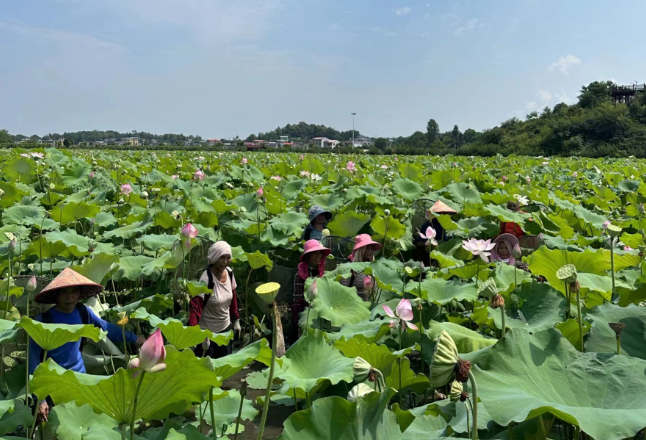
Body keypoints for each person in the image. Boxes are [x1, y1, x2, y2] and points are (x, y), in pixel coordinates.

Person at [29, 268, 146, 422]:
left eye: (74, 291)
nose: (70, 297)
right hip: (53, 386)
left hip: (80, 380)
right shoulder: (43, 321)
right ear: (57, 295)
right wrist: (40, 398)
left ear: (80, 293)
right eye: (65, 292)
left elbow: (107, 328)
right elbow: (32, 363)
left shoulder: (83, 312)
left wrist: (135, 338)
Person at [188, 241, 241, 358]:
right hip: (207, 333)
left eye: (228, 258)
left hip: (225, 329)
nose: (225, 261)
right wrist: (192, 336)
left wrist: (236, 320)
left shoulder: (230, 273)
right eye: (222, 257)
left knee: (224, 367)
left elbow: (233, 299)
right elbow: (195, 308)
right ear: (214, 257)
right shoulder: (206, 279)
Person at [291, 240, 331, 342]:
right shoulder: (300, 275)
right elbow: (297, 301)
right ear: (308, 256)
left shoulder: (323, 273)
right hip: (306, 311)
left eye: (320, 253)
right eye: (315, 253)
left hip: (322, 310)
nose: (319, 256)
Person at [415, 200, 458, 266]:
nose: (443, 215)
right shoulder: (427, 225)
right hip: (430, 257)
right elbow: (419, 243)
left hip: (447, 256)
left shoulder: (451, 225)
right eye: (440, 213)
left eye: (445, 213)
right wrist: (429, 245)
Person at [341, 234, 382, 301]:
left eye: (371, 249)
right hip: (354, 306)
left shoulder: (374, 268)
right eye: (367, 248)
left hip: (371, 306)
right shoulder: (349, 268)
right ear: (361, 250)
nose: (370, 251)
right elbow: (343, 292)